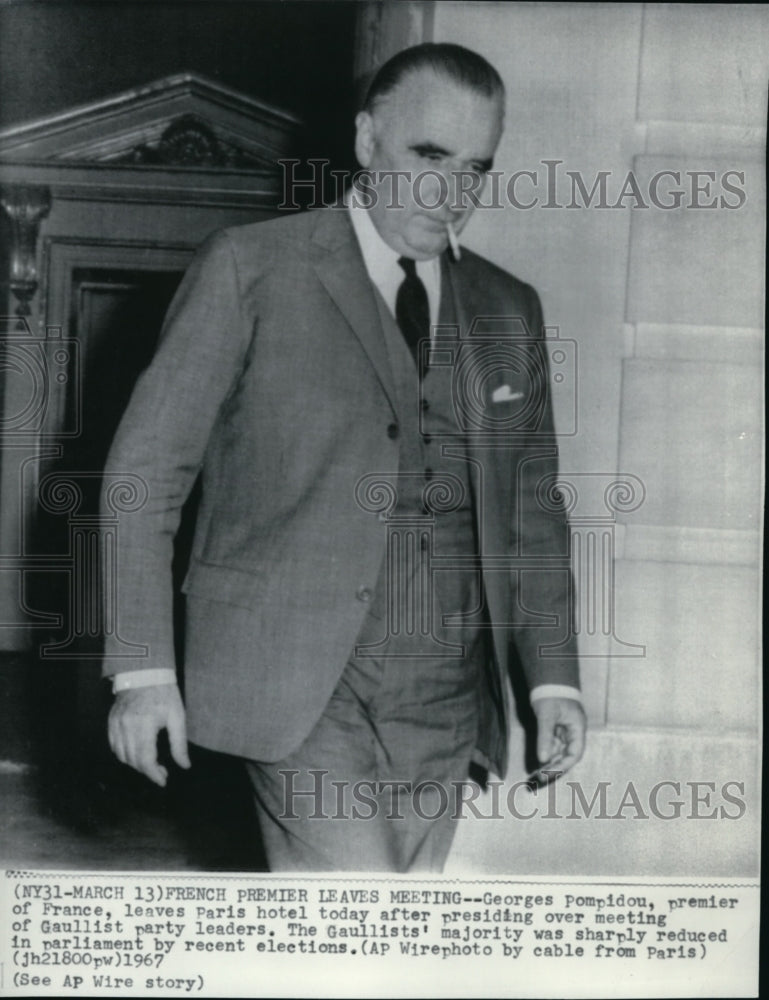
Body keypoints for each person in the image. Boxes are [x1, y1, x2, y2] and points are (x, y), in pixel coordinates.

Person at [102, 42, 586, 872]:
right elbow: (142, 483)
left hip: (446, 685)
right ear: (366, 142)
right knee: (352, 917)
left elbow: (531, 512)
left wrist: (552, 681)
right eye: (426, 156)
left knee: (392, 935)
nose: (449, 194)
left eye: (474, 168)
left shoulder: (509, 309)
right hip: (297, 676)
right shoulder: (251, 271)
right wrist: (141, 670)